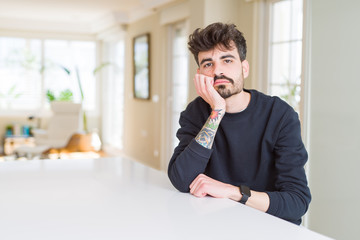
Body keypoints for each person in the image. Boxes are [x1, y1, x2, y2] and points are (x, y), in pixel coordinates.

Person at [167, 22, 311, 225]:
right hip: (215, 224)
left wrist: (232, 192)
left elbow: (297, 201)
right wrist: (216, 112)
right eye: (208, 64)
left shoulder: (280, 115)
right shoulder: (196, 112)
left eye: (227, 60)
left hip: (269, 228)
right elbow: (181, 180)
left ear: (244, 68)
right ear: (200, 74)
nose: (217, 71)